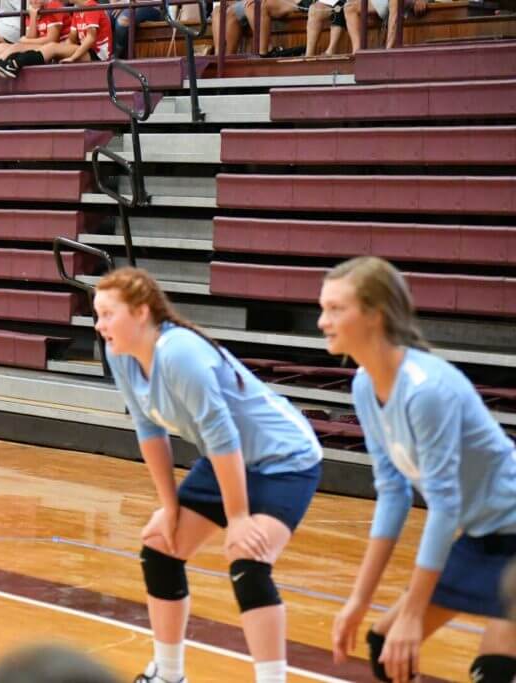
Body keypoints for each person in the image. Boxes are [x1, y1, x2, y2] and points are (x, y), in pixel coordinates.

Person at [94, 267, 322, 683]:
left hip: (284, 459)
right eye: (97, 315)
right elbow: (149, 431)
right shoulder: (120, 354)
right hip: (228, 460)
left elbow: (224, 435)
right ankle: (169, 675)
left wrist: (238, 518)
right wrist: (170, 508)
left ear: (141, 312)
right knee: (160, 546)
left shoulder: (179, 353)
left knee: (248, 559)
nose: (99, 324)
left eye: (108, 314)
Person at [321, 256, 516, 683]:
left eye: (336, 309)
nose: (322, 321)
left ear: (374, 315)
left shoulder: (427, 391)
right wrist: (358, 600)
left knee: (494, 670)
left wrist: (412, 613)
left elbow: (444, 506)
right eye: (323, 308)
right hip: (484, 534)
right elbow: (393, 492)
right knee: (386, 650)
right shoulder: (364, 385)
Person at [0, 0, 112, 78]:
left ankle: (14, 64)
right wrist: (63, 49)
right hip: (85, 49)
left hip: (98, 54)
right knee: (51, 47)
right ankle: (6, 64)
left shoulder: (91, 7)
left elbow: (90, 38)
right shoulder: (77, 10)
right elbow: (72, 39)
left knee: (51, 47)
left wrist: (72, 57)